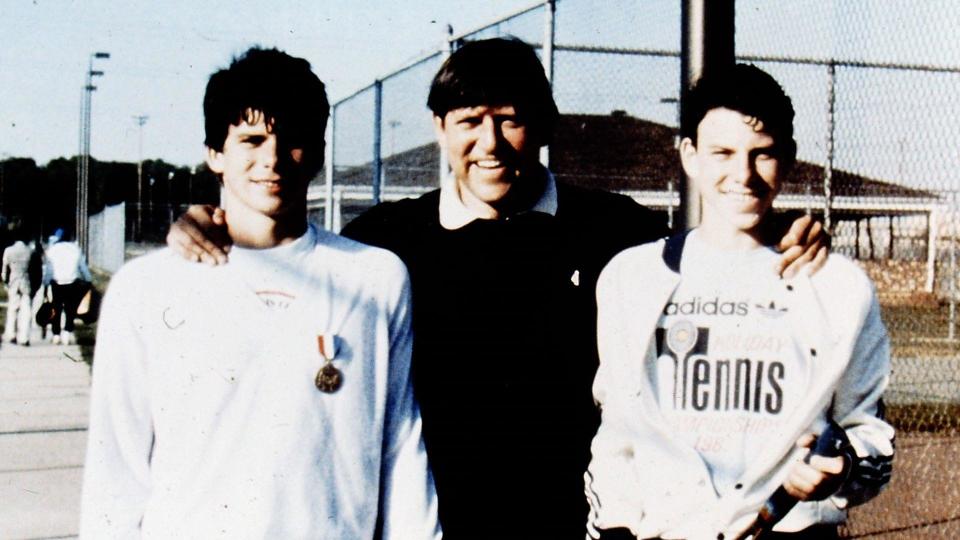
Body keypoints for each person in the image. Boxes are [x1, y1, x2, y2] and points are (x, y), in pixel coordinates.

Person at [166, 39, 827, 539]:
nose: (490, 143)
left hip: (583, 523)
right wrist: (202, 222)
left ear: (544, 124)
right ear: (439, 129)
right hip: (436, 520)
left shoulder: (617, 232)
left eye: (509, 119)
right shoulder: (385, 242)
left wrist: (781, 234)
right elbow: (287, 263)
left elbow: (718, 264)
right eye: (468, 122)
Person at [79, 47, 440, 539]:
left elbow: (401, 449)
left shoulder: (375, 278)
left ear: (317, 149)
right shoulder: (145, 289)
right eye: (252, 139)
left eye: (292, 139)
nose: (272, 159)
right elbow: (115, 475)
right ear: (215, 154)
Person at [585, 64, 894, 540]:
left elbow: (871, 440)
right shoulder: (632, 278)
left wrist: (840, 467)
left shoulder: (839, 287)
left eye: (762, 154)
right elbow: (618, 435)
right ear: (689, 155)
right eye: (722, 153)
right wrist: (615, 529)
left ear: (788, 158)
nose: (742, 175)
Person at [43, 233, 92, 345]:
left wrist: (46, 282)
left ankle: (56, 334)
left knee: (56, 307)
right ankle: (67, 332)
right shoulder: (75, 249)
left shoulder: (53, 250)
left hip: (57, 282)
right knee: (70, 308)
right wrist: (88, 279)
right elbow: (82, 267)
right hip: (72, 282)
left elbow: (49, 269)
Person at [2, 231, 36, 346]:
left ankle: (11, 334)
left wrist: (6, 283)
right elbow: (33, 270)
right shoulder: (29, 251)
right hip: (25, 282)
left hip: (13, 282)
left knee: (12, 309)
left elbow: (5, 270)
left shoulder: (8, 250)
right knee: (26, 311)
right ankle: (24, 338)